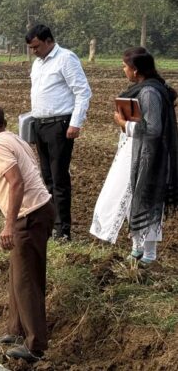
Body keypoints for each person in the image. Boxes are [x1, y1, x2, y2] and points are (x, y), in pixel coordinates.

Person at [0, 105, 53, 363]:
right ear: (5, 122)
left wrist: (9, 225)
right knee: (18, 274)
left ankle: (35, 347)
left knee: (26, 281)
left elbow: (17, 182)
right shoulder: (14, 138)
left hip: (29, 216)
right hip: (41, 209)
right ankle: (15, 330)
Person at [90, 47, 178, 265]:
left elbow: (153, 129)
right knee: (137, 200)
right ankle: (138, 248)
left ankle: (147, 254)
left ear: (136, 70)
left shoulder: (149, 92)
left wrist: (125, 124)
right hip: (140, 151)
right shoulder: (150, 88)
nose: (123, 70)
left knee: (144, 201)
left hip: (148, 156)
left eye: (125, 66)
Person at [26, 24, 92, 241]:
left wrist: (76, 123)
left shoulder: (66, 58)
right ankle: (51, 223)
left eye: (36, 46)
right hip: (40, 124)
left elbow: (82, 92)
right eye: (31, 48)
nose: (33, 51)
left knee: (59, 177)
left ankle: (63, 230)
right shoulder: (37, 64)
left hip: (59, 125)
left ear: (47, 41)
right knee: (47, 177)